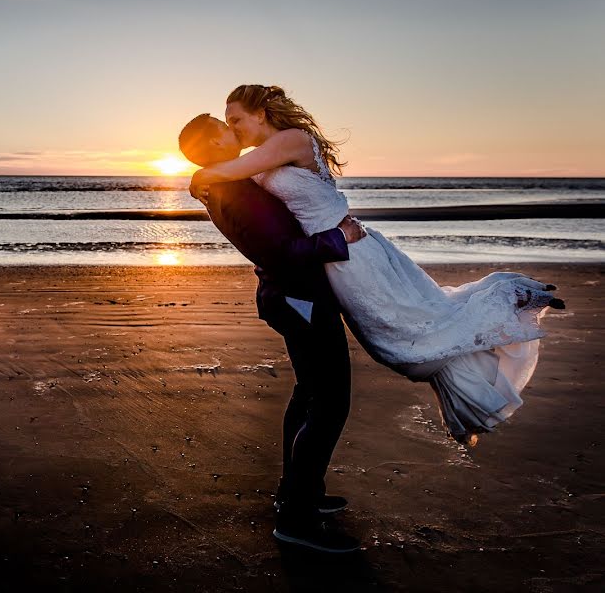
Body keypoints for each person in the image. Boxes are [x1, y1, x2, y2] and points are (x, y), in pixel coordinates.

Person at [185, 84, 564, 452]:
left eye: (235, 120)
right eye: (227, 124)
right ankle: (303, 491)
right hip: (334, 254)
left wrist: (200, 176)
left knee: (407, 325)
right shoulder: (262, 156)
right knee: (394, 332)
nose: (233, 128)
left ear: (261, 113)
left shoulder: (289, 141)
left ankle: (511, 295)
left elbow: (228, 171)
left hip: (350, 252)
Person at [178, 117, 367, 552]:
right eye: (225, 128)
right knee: (330, 402)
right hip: (298, 299)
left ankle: (299, 494)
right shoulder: (235, 192)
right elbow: (283, 254)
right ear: (215, 142)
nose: (234, 130)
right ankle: (297, 520)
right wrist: (340, 236)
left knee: (309, 395)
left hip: (293, 297)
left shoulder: (228, 183)